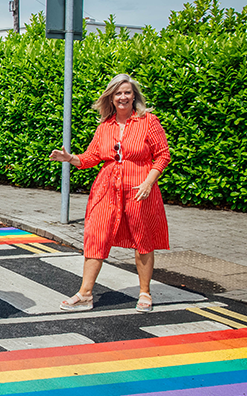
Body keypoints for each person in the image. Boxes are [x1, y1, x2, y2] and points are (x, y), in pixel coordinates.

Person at [49, 73, 171, 313]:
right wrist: (69, 158)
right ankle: (85, 294)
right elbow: (91, 157)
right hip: (106, 190)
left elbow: (163, 155)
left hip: (140, 190)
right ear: (111, 98)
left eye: (127, 92)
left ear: (134, 95)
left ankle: (145, 293)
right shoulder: (105, 126)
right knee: (95, 236)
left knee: (142, 239)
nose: (123, 97)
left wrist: (148, 182)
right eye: (118, 93)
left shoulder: (149, 121)